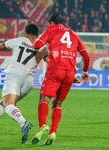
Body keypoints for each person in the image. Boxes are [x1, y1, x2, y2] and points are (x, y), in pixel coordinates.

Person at [0, 23, 51, 144]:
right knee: (3, 104)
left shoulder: (18, 40)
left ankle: (23, 123)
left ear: (25, 33)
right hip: (28, 83)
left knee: (8, 105)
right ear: (37, 35)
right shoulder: (43, 47)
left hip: (14, 76)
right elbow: (50, 61)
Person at [31, 13, 90, 145]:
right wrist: (85, 71)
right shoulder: (73, 34)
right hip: (69, 73)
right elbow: (86, 56)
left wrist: (42, 45)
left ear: (51, 22)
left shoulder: (50, 30)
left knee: (44, 99)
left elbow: (37, 45)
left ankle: (42, 126)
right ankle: (53, 132)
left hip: (55, 69)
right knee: (57, 104)